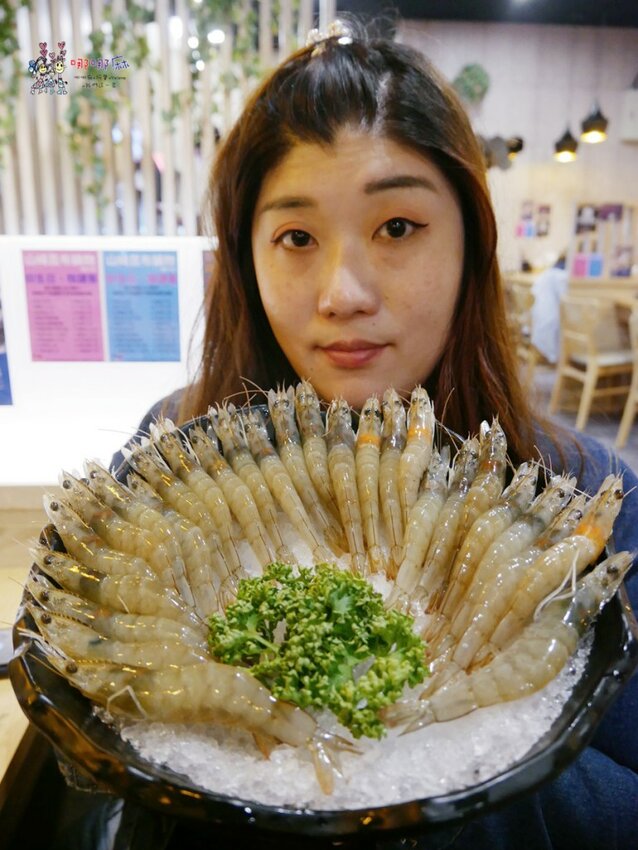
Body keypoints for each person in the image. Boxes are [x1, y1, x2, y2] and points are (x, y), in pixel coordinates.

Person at [99, 21, 638, 850]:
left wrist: (460, 777)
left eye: (397, 228)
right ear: (246, 259)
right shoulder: (169, 446)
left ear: (471, 243)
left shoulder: (593, 495)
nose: (343, 293)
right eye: (297, 238)